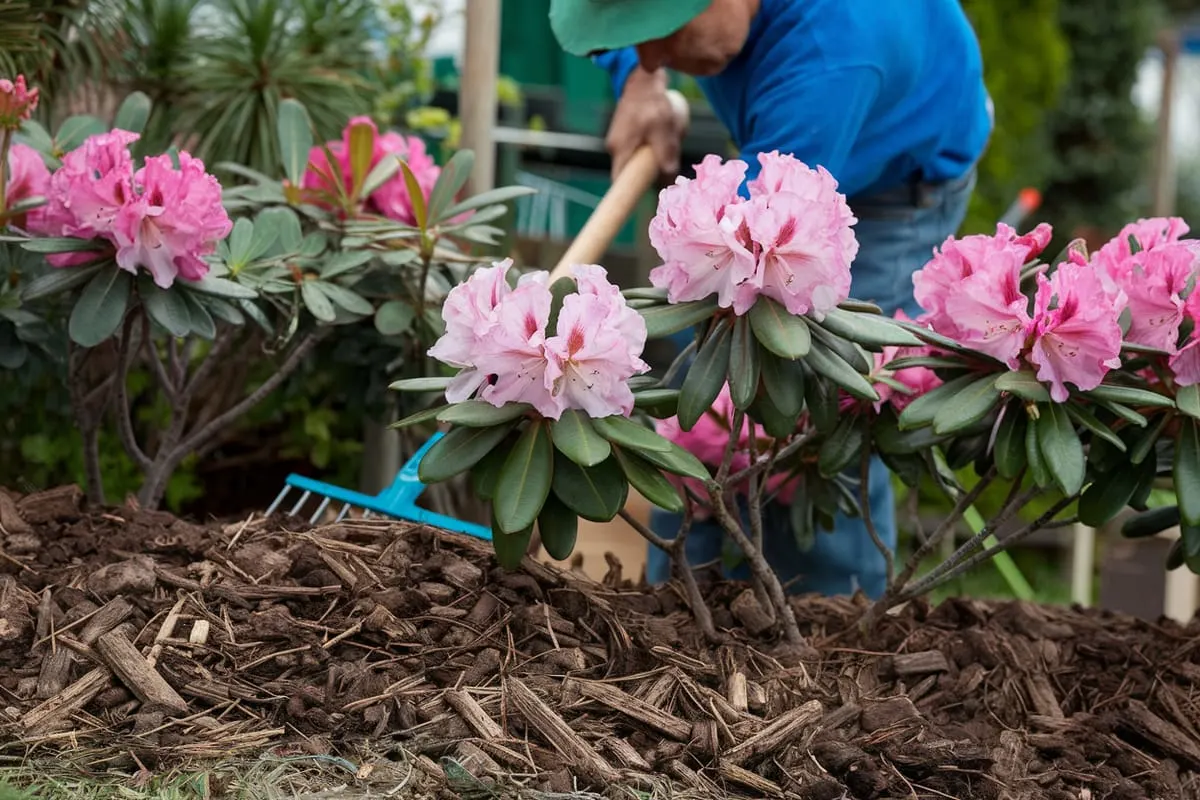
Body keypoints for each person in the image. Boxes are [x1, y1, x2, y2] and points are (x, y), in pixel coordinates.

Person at [548, 0, 993, 600]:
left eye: (664, 33)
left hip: (895, 178)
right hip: (787, 123)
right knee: (703, 400)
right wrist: (638, 78)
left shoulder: (831, 58)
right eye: (634, 38)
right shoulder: (722, 29)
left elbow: (751, 267)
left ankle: (831, 627)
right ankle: (683, 612)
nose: (654, 53)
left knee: (820, 407)